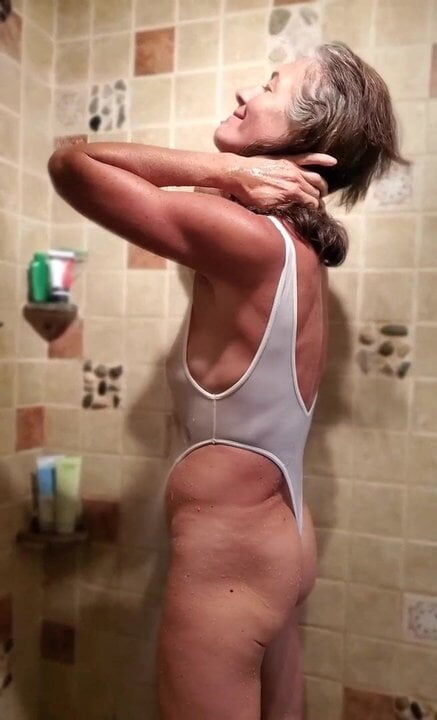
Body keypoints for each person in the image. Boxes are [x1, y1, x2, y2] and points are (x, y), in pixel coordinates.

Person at [48, 41, 407, 720]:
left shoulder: (242, 237)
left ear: (307, 139)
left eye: (271, 86)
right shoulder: (294, 250)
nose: (246, 92)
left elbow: (72, 164)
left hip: (232, 561)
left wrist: (226, 169)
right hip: (280, 538)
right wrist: (234, 177)